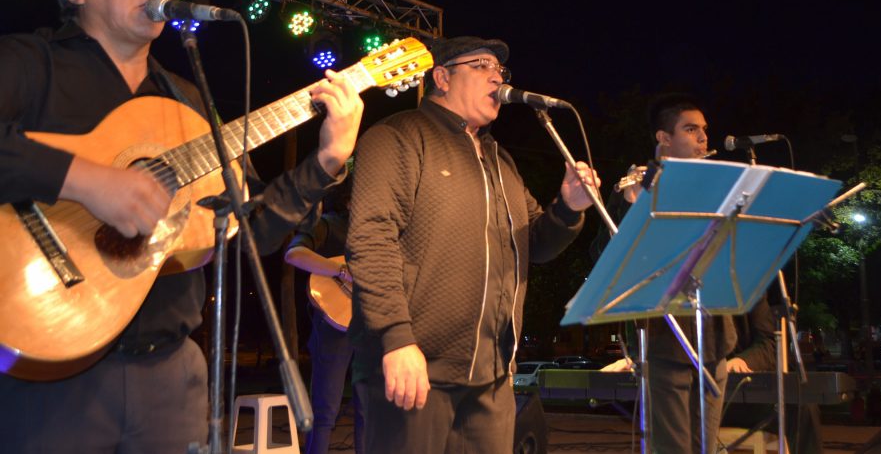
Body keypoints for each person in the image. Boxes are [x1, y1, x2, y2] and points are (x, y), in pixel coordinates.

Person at [0, 0, 364, 453]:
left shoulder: (187, 99)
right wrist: (84, 180)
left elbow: (249, 231)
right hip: (48, 380)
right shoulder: (29, 63)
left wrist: (327, 160)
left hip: (171, 378)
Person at [345, 35, 599, 453]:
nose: (497, 77)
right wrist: (396, 338)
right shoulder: (398, 136)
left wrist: (569, 208)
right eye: (481, 65)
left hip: (492, 377)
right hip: (415, 368)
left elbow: (534, 244)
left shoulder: (501, 161)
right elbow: (371, 239)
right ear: (442, 78)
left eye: (500, 69)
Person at [605, 93, 738, 453]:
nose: (703, 137)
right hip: (666, 343)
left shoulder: (714, 188)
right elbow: (607, 254)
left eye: (704, 129)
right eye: (691, 129)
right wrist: (633, 203)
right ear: (664, 138)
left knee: (706, 447)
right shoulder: (636, 187)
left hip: (714, 340)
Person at [284, 180, 365, 454]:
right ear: (348, 200)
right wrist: (340, 271)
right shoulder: (329, 224)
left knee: (367, 408)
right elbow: (295, 254)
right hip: (333, 326)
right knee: (325, 409)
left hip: (369, 325)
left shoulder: (378, 232)